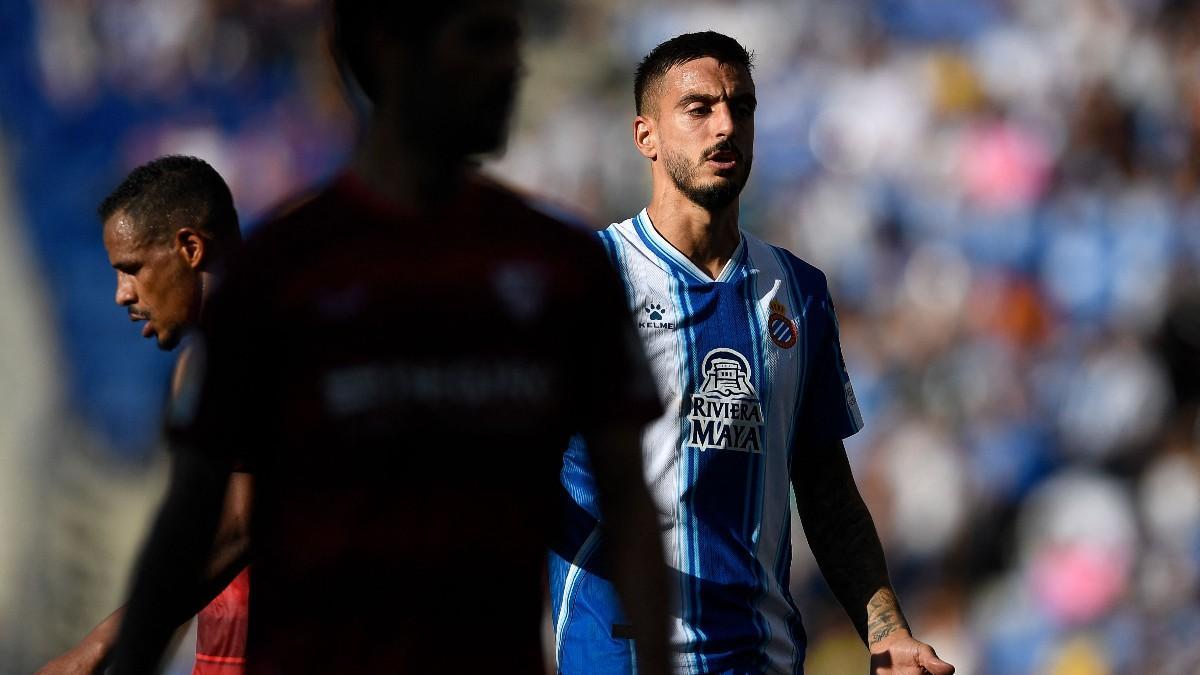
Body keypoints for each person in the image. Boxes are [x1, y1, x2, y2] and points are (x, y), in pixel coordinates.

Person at [109, 2, 670, 674]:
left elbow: (630, 512)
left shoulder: (565, 268)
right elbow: (193, 520)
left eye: (511, 40)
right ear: (389, 51)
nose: (511, 66)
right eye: (480, 37)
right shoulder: (275, 279)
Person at [550, 32, 956, 675]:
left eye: (742, 106)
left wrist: (888, 632)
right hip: (618, 655)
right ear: (645, 136)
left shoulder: (798, 291)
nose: (726, 125)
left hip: (759, 658)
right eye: (699, 108)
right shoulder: (583, 281)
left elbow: (825, 489)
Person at [35, 156, 252, 675]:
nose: (121, 294)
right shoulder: (201, 363)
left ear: (190, 248)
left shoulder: (258, 341)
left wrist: (96, 648)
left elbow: (240, 524)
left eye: (131, 268)